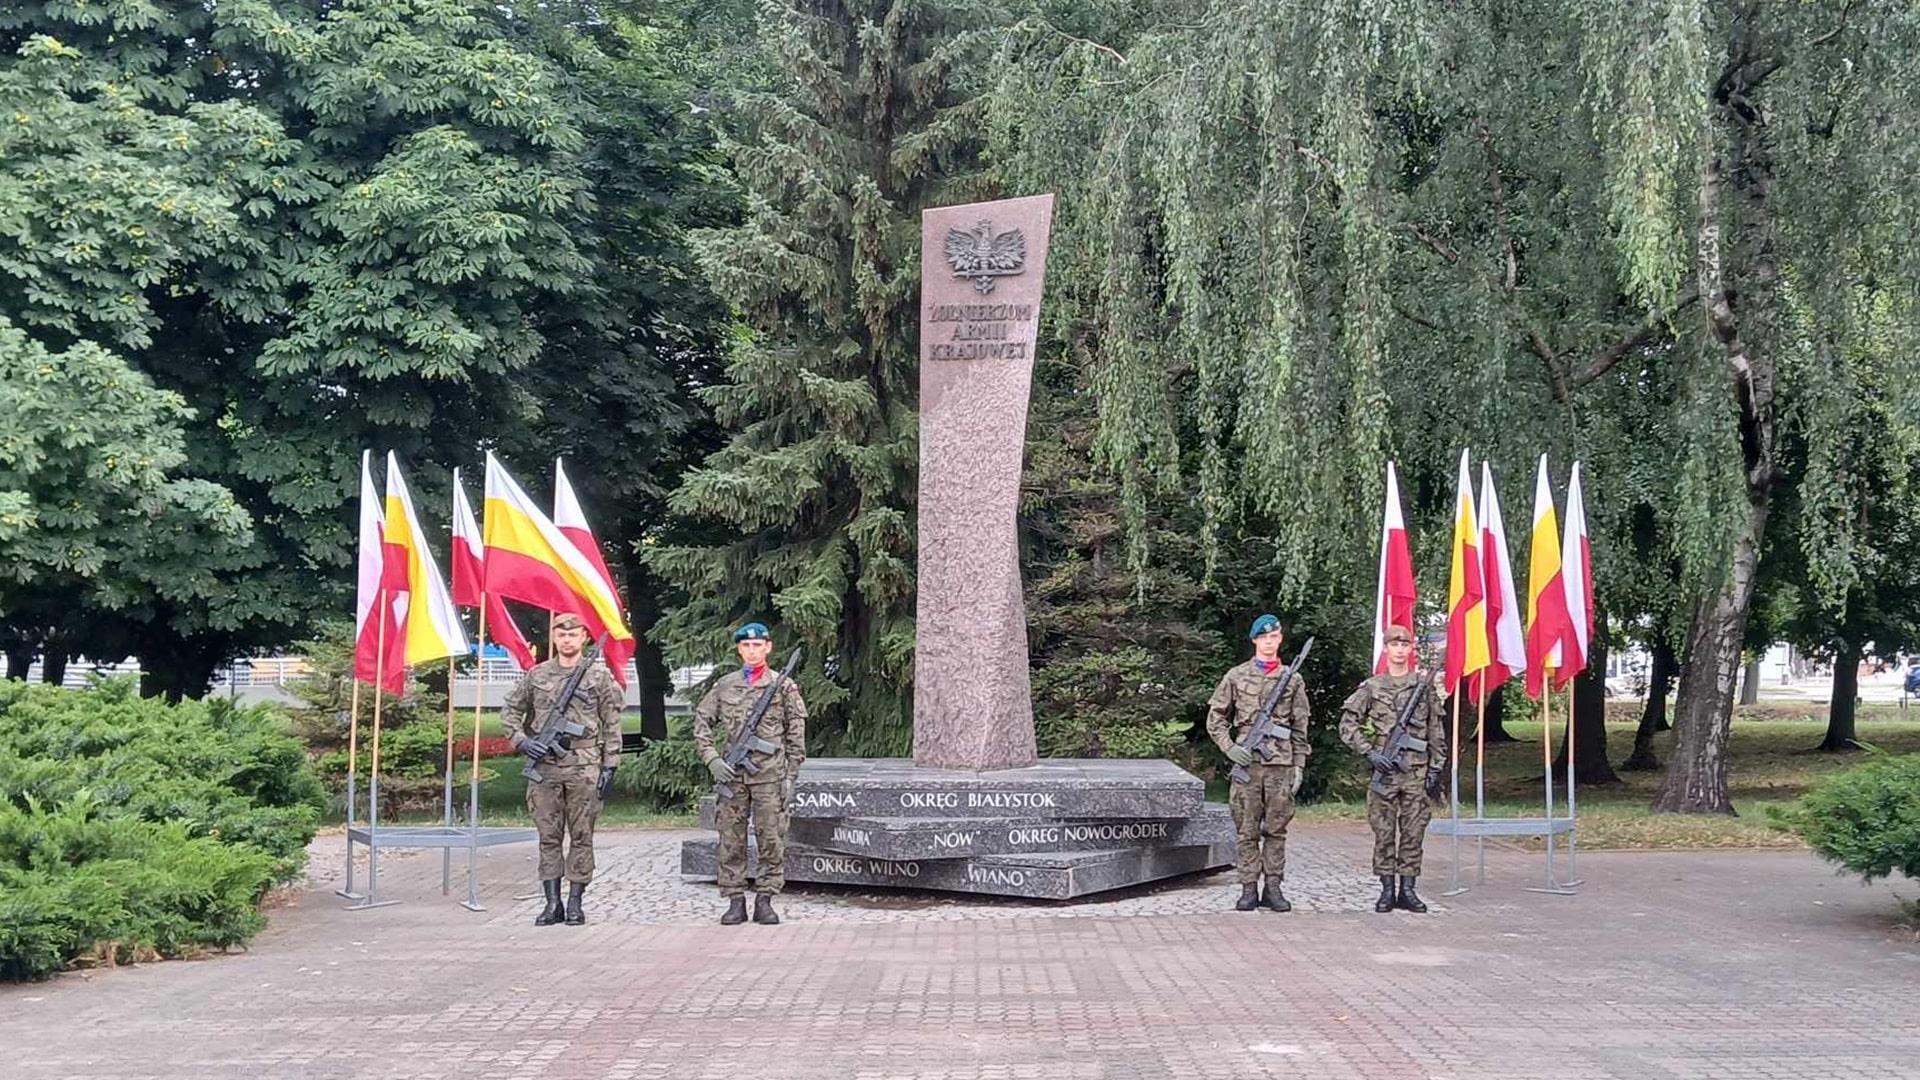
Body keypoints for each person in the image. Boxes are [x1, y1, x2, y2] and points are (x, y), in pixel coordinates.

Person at [500, 612, 624, 926]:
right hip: (545, 770)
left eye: (574, 634)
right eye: (561, 634)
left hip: (584, 768)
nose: (567, 639)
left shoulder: (598, 677)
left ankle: (575, 903)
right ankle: (551, 903)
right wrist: (522, 741)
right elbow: (510, 711)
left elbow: (612, 723)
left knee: (582, 836)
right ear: (554, 638)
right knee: (548, 837)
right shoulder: (537, 675)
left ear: (584, 638)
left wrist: (611, 764)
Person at [693, 621, 808, 925]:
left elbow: (796, 734)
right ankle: (734, 900)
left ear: (768, 647)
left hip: (770, 776)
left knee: (771, 838)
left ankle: (766, 899)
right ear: (739, 649)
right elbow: (702, 722)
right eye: (746, 645)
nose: (752, 650)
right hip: (733, 776)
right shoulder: (726, 685)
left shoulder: (782, 685)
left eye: (758, 645)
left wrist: (791, 776)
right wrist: (712, 758)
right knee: (731, 839)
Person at [1206, 614, 1312, 912]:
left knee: (1276, 830)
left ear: (1280, 639)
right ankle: (1249, 888)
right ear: (1255, 640)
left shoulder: (1293, 678)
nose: (1269, 641)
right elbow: (1215, 717)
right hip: (1247, 764)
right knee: (1246, 830)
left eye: (1274, 636)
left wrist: (1299, 764)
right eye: (1263, 637)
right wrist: (1229, 747)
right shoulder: (1236, 676)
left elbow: (1300, 725)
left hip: (1280, 764)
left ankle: (1274, 887)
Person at [1339, 624, 1446, 913]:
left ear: (1411, 650)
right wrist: (1370, 753)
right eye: (1394, 645)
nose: (1399, 650)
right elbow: (1348, 726)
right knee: (1384, 833)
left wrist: (1436, 767)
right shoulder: (1372, 687)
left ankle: (1408, 890)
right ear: (1386, 649)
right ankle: (1386, 891)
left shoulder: (1422, 687)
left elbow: (1435, 730)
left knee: (1413, 833)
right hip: (1385, 773)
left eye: (1405, 645)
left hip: (1416, 772)